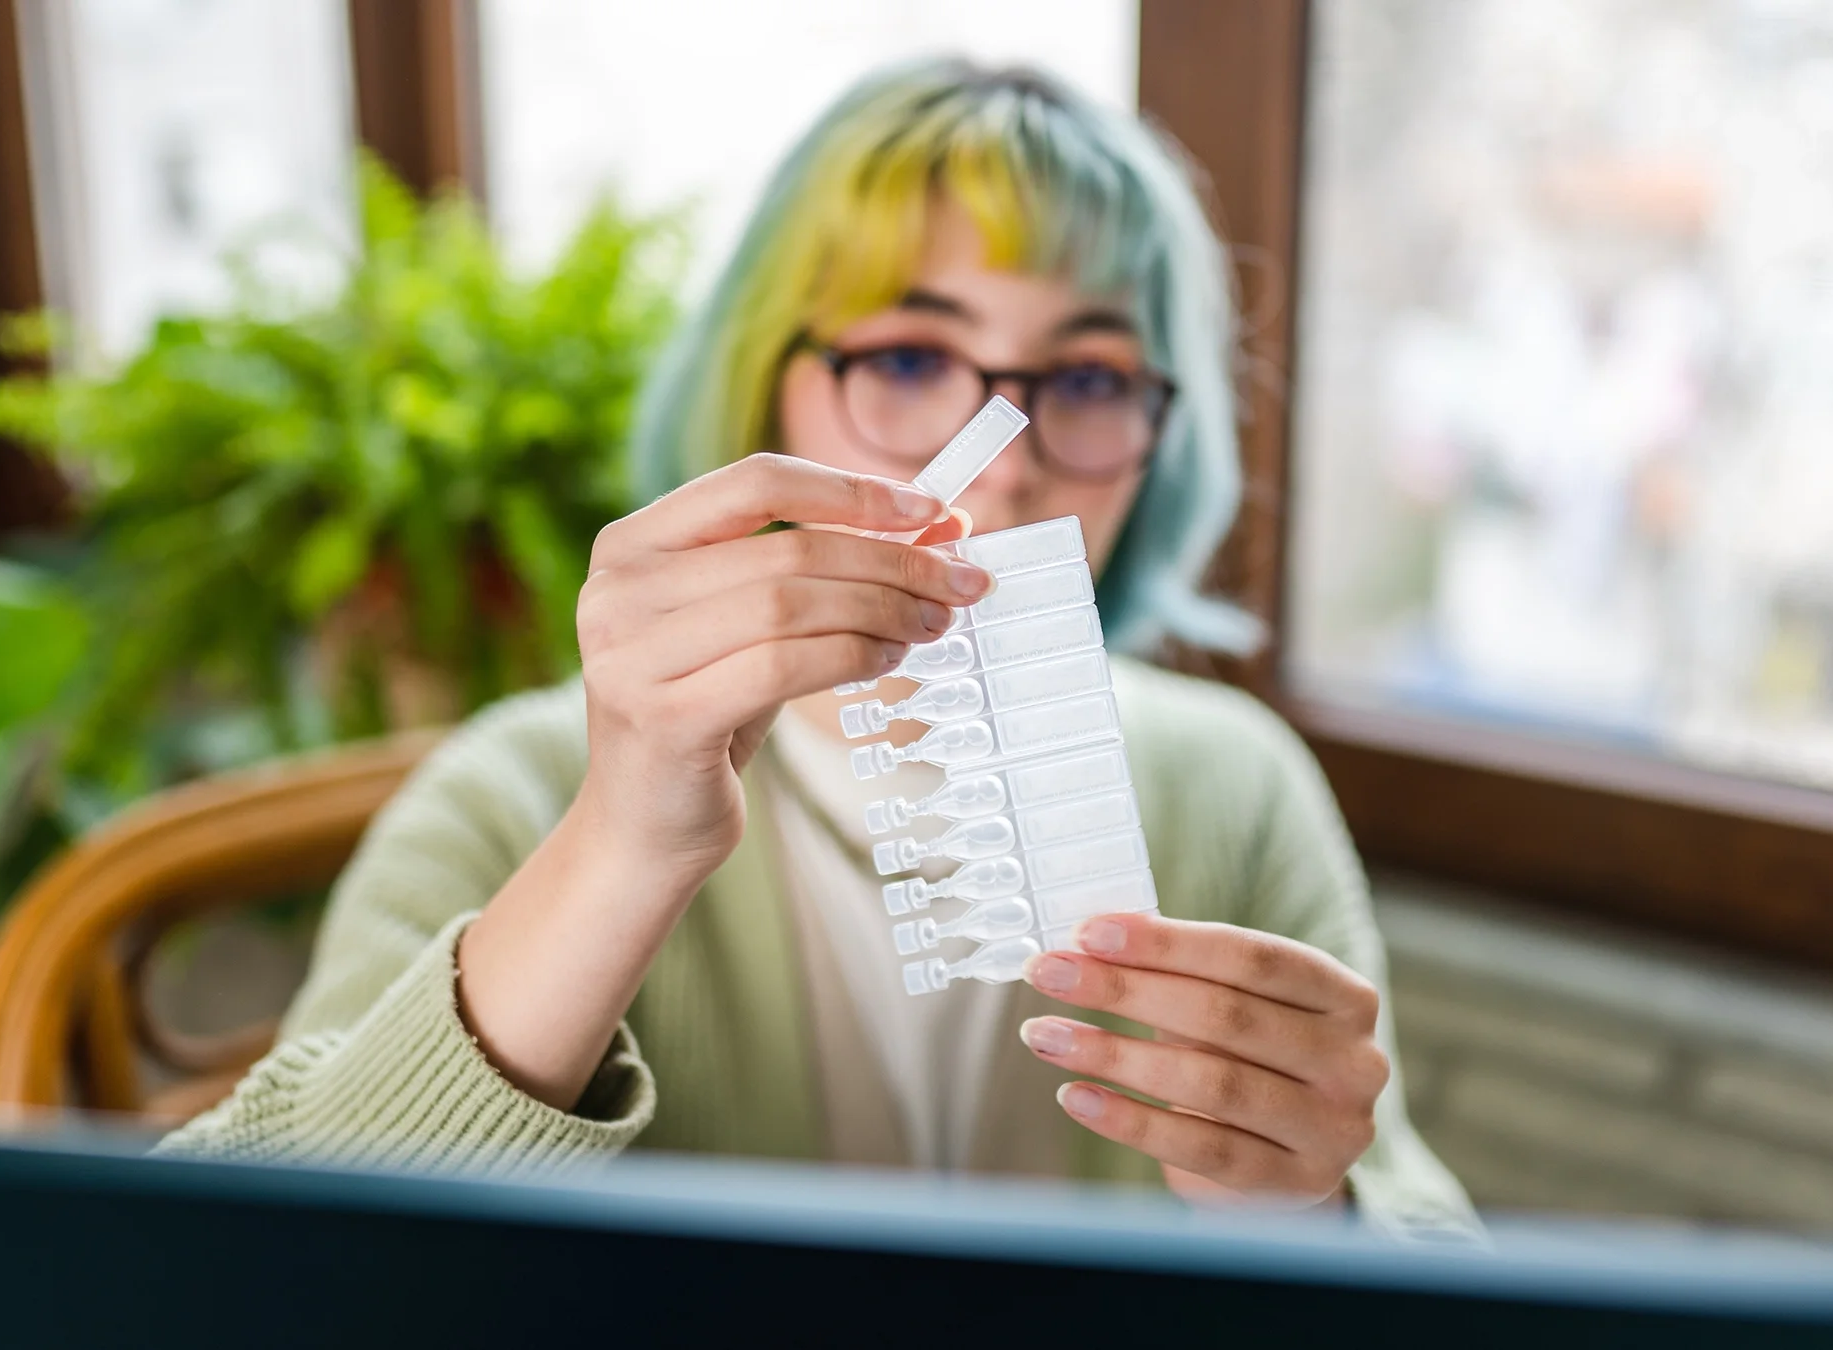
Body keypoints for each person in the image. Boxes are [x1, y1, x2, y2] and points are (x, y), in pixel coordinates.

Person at [161, 60, 1476, 1238]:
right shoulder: (509, 799)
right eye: (909, 355)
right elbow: (223, 1273)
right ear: (762, 389)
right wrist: (620, 849)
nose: (1001, 469)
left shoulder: (1235, 791)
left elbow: (1430, 1252)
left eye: (1082, 381)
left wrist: (1326, 1206)